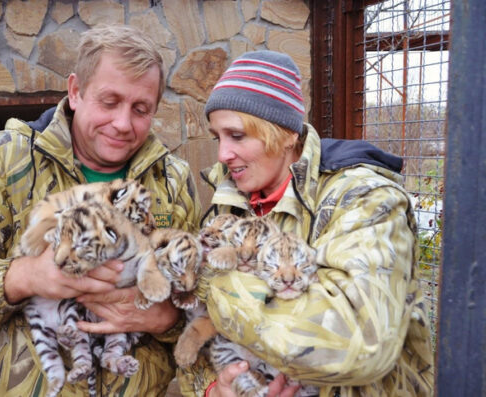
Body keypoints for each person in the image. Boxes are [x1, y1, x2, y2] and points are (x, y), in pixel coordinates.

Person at [0, 25, 201, 396]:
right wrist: (23, 277)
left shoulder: (172, 178)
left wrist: (168, 320)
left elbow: (198, 295)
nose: (123, 123)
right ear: (76, 91)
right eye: (109, 101)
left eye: (141, 109)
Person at [178, 51, 434, 397]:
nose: (222, 154)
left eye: (237, 136)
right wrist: (214, 389)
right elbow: (192, 337)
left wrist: (213, 284)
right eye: (217, 137)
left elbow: (358, 344)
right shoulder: (230, 203)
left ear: (286, 134)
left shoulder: (362, 198)